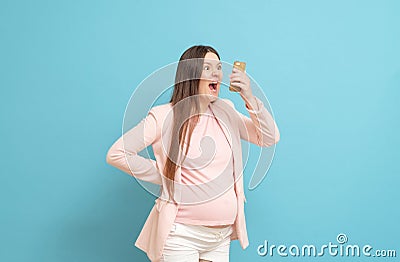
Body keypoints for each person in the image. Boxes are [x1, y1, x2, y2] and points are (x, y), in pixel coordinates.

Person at [106, 45, 280, 262]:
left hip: (219, 237)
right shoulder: (163, 116)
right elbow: (117, 153)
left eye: (218, 67)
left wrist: (250, 99)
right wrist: (165, 174)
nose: (217, 72)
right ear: (190, 75)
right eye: (207, 67)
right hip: (181, 235)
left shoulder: (226, 111)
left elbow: (269, 137)